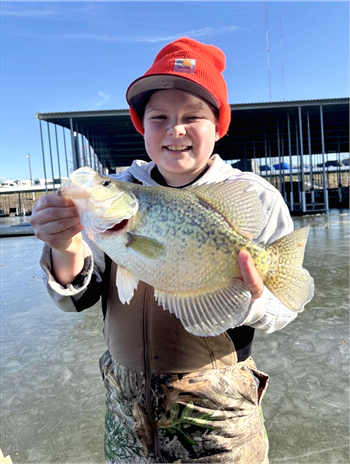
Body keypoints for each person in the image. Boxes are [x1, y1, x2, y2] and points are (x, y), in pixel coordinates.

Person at [31, 37, 299, 464]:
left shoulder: (252, 196)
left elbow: (286, 309)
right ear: (142, 125)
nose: (175, 129)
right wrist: (65, 244)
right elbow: (79, 297)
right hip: (126, 410)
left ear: (218, 126)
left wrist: (251, 298)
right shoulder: (122, 191)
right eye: (159, 117)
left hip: (219, 420)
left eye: (193, 116)